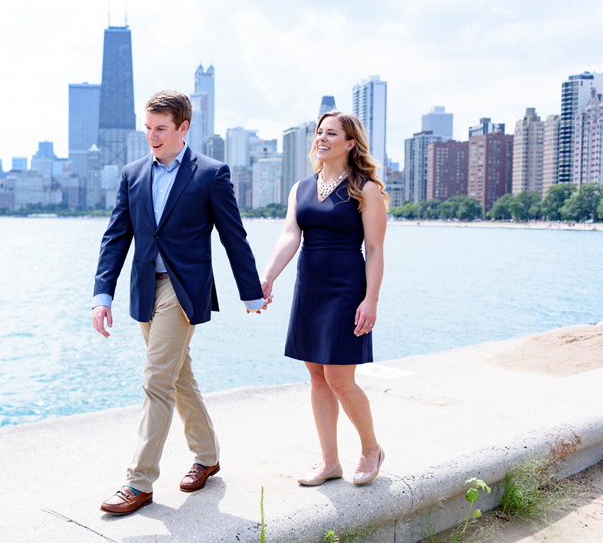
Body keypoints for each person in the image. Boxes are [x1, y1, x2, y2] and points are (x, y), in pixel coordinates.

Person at [91, 90, 266, 515]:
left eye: (160, 129)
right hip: (146, 289)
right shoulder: (132, 174)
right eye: (147, 128)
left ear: (183, 127)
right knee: (177, 375)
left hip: (184, 289)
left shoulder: (211, 173)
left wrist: (251, 290)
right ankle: (207, 456)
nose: (151, 136)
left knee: (156, 379)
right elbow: (117, 237)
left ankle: (139, 482)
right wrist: (102, 294)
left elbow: (232, 235)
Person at [259, 110, 388, 487]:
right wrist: (267, 278)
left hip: (347, 289)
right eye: (319, 132)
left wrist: (371, 300)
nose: (322, 138)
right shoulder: (301, 188)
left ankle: (370, 449)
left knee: (339, 378)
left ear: (350, 143)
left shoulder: (366, 188)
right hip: (310, 287)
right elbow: (289, 237)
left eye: (332, 133)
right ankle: (330, 462)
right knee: (316, 376)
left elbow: (376, 250)